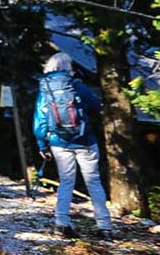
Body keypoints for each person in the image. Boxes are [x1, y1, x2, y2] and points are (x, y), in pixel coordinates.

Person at [33, 53, 113, 238]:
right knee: (93, 181)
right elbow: (96, 106)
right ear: (69, 67)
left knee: (66, 181)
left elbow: (40, 121)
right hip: (85, 140)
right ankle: (104, 227)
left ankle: (61, 224)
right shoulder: (77, 86)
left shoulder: (45, 90)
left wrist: (42, 145)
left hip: (58, 142)